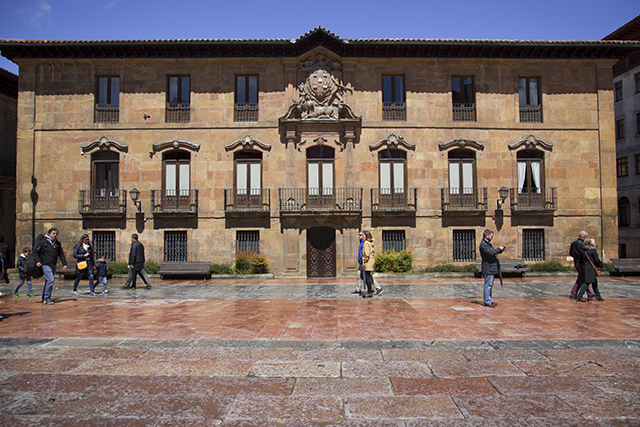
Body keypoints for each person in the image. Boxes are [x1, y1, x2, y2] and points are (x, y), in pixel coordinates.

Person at [33, 228, 67, 304]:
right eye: (53, 233)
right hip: (45, 264)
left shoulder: (57, 244)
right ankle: (47, 297)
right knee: (51, 280)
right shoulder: (43, 242)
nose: (54, 235)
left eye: (56, 234)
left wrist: (64, 263)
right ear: (49, 234)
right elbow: (35, 252)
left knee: (48, 281)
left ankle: (44, 297)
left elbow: (61, 254)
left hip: (53, 264)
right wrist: (37, 261)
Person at [479, 229, 505, 308]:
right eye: (491, 236)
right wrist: (498, 249)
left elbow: (493, 252)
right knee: (488, 285)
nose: (492, 237)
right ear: (487, 236)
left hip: (491, 267)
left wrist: (500, 250)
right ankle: (487, 301)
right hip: (488, 267)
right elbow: (490, 253)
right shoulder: (484, 244)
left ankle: (489, 300)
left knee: (490, 284)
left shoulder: (487, 244)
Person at [576, 238, 604, 302]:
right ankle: (580, 295)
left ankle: (598, 295)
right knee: (587, 282)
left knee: (594, 281)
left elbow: (580, 261)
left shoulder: (582, 250)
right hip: (591, 268)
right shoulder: (593, 250)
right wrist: (601, 265)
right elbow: (596, 260)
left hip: (584, 268)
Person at [569, 231, 594, 300]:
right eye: (587, 237)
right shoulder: (583, 244)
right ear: (584, 237)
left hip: (576, 262)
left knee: (583, 278)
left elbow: (571, 253)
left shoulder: (573, 243)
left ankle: (590, 293)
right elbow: (584, 254)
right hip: (582, 263)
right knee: (581, 278)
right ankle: (573, 293)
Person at [361, 230, 376, 298]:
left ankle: (369, 291)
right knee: (367, 276)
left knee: (366, 276)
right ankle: (370, 289)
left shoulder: (366, 243)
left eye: (363, 235)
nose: (362, 236)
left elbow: (366, 254)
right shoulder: (369, 242)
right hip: (370, 261)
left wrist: (364, 261)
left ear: (366, 236)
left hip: (368, 262)